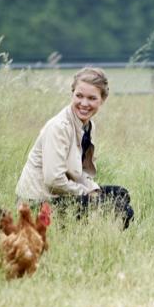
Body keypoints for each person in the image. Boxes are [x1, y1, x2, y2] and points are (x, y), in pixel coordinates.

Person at [16, 66, 134, 229]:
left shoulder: (87, 126)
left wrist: (94, 190)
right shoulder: (59, 127)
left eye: (92, 98)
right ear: (72, 94)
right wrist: (88, 194)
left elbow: (78, 173)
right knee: (118, 208)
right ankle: (91, 241)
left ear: (102, 99)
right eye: (79, 96)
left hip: (60, 195)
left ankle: (103, 240)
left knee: (120, 195)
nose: (84, 103)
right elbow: (53, 180)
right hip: (38, 203)